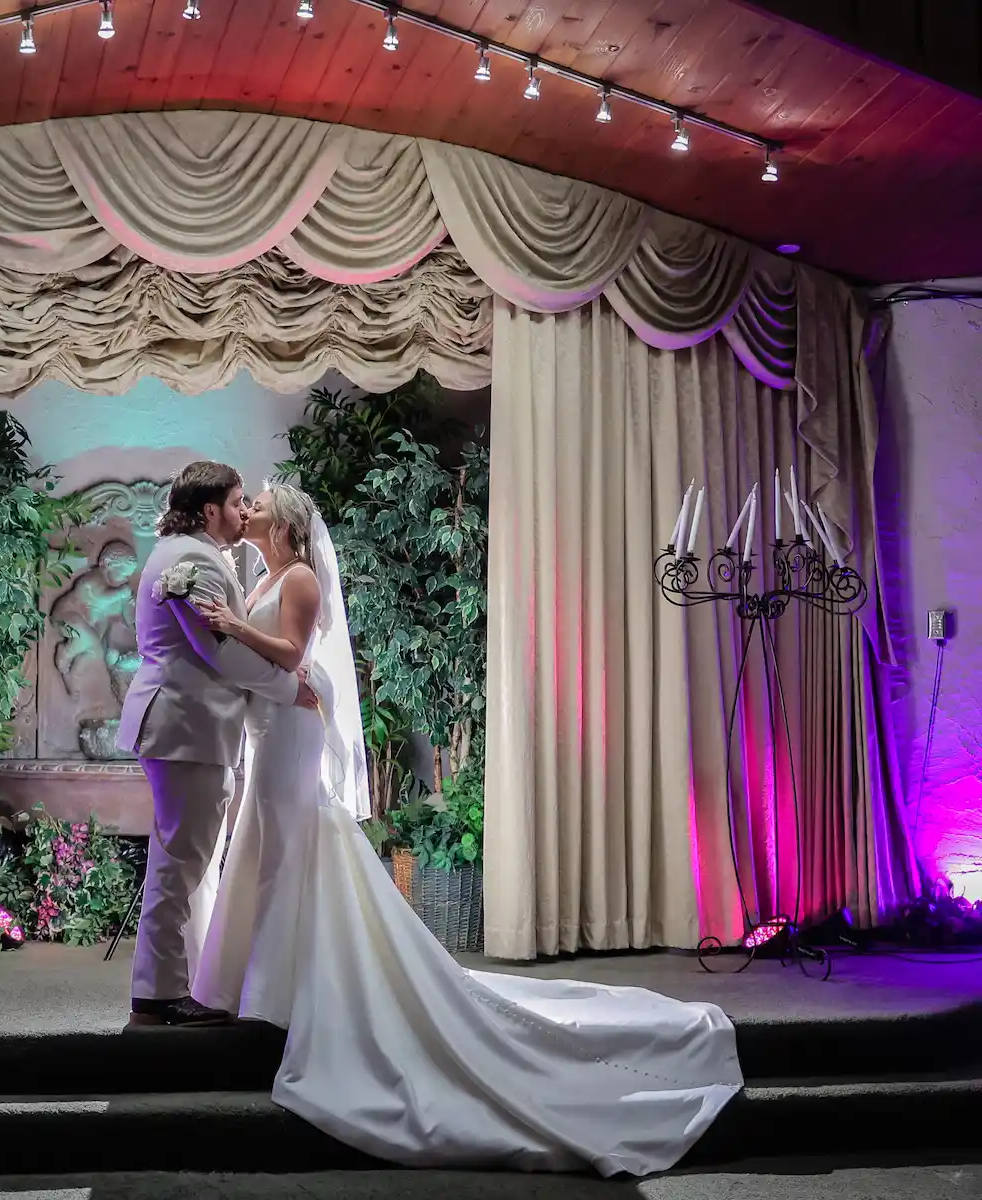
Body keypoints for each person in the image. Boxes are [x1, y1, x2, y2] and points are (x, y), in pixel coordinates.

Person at [189, 481, 744, 1177]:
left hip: (290, 740)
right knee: (268, 849)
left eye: (260, 500)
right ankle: (261, 986)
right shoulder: (263, 574)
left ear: (289, 521)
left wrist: (235, 629)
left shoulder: (297, 575)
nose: (250, 507)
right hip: (270, 734)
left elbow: (294, 655)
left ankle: (279, 997)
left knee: (283, 850)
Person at [116, 462, 319, 1028]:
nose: (244, 511)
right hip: (187, 727)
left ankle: (183, 984)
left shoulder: (185, 554)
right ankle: (156, 995)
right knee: (179, 864)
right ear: (210, 510)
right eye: (236, 502)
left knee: (186, 862)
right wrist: (288, 688)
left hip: (188, 728)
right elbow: (217, 652)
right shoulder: (193, 561)